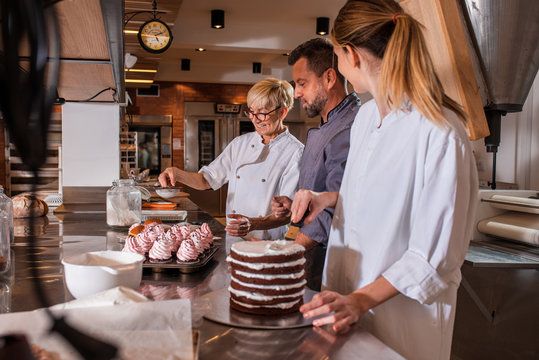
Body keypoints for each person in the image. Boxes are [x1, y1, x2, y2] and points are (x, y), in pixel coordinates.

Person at [290, 1, 478, 360]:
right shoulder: (366, 119)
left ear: (351, 56)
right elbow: (374, 202)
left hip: (402, 322)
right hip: (343, 306)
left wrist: (360, 300)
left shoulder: (439, 131)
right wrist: (328, 199)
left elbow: (434, 257)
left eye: (338, 57)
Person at [159, 78, 303, 240]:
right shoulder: (240, 143)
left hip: (265, 242)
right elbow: (207, 180)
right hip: (233, 236)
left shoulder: (295, 152)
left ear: (282, 112)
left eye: (262, 113)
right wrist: (176, 173)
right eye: (251, 112)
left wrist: (253, 224)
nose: (255, 119)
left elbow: (287, 212)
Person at [271, 38, 360, 291]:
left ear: (330, 78)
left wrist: (286, 252)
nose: (296, 93)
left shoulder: (350, 127)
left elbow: (335, 205)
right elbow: (322, 194)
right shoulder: (327, 125)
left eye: (302, 83)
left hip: (330, 256)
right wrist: (296, 206)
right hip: (312, 253)